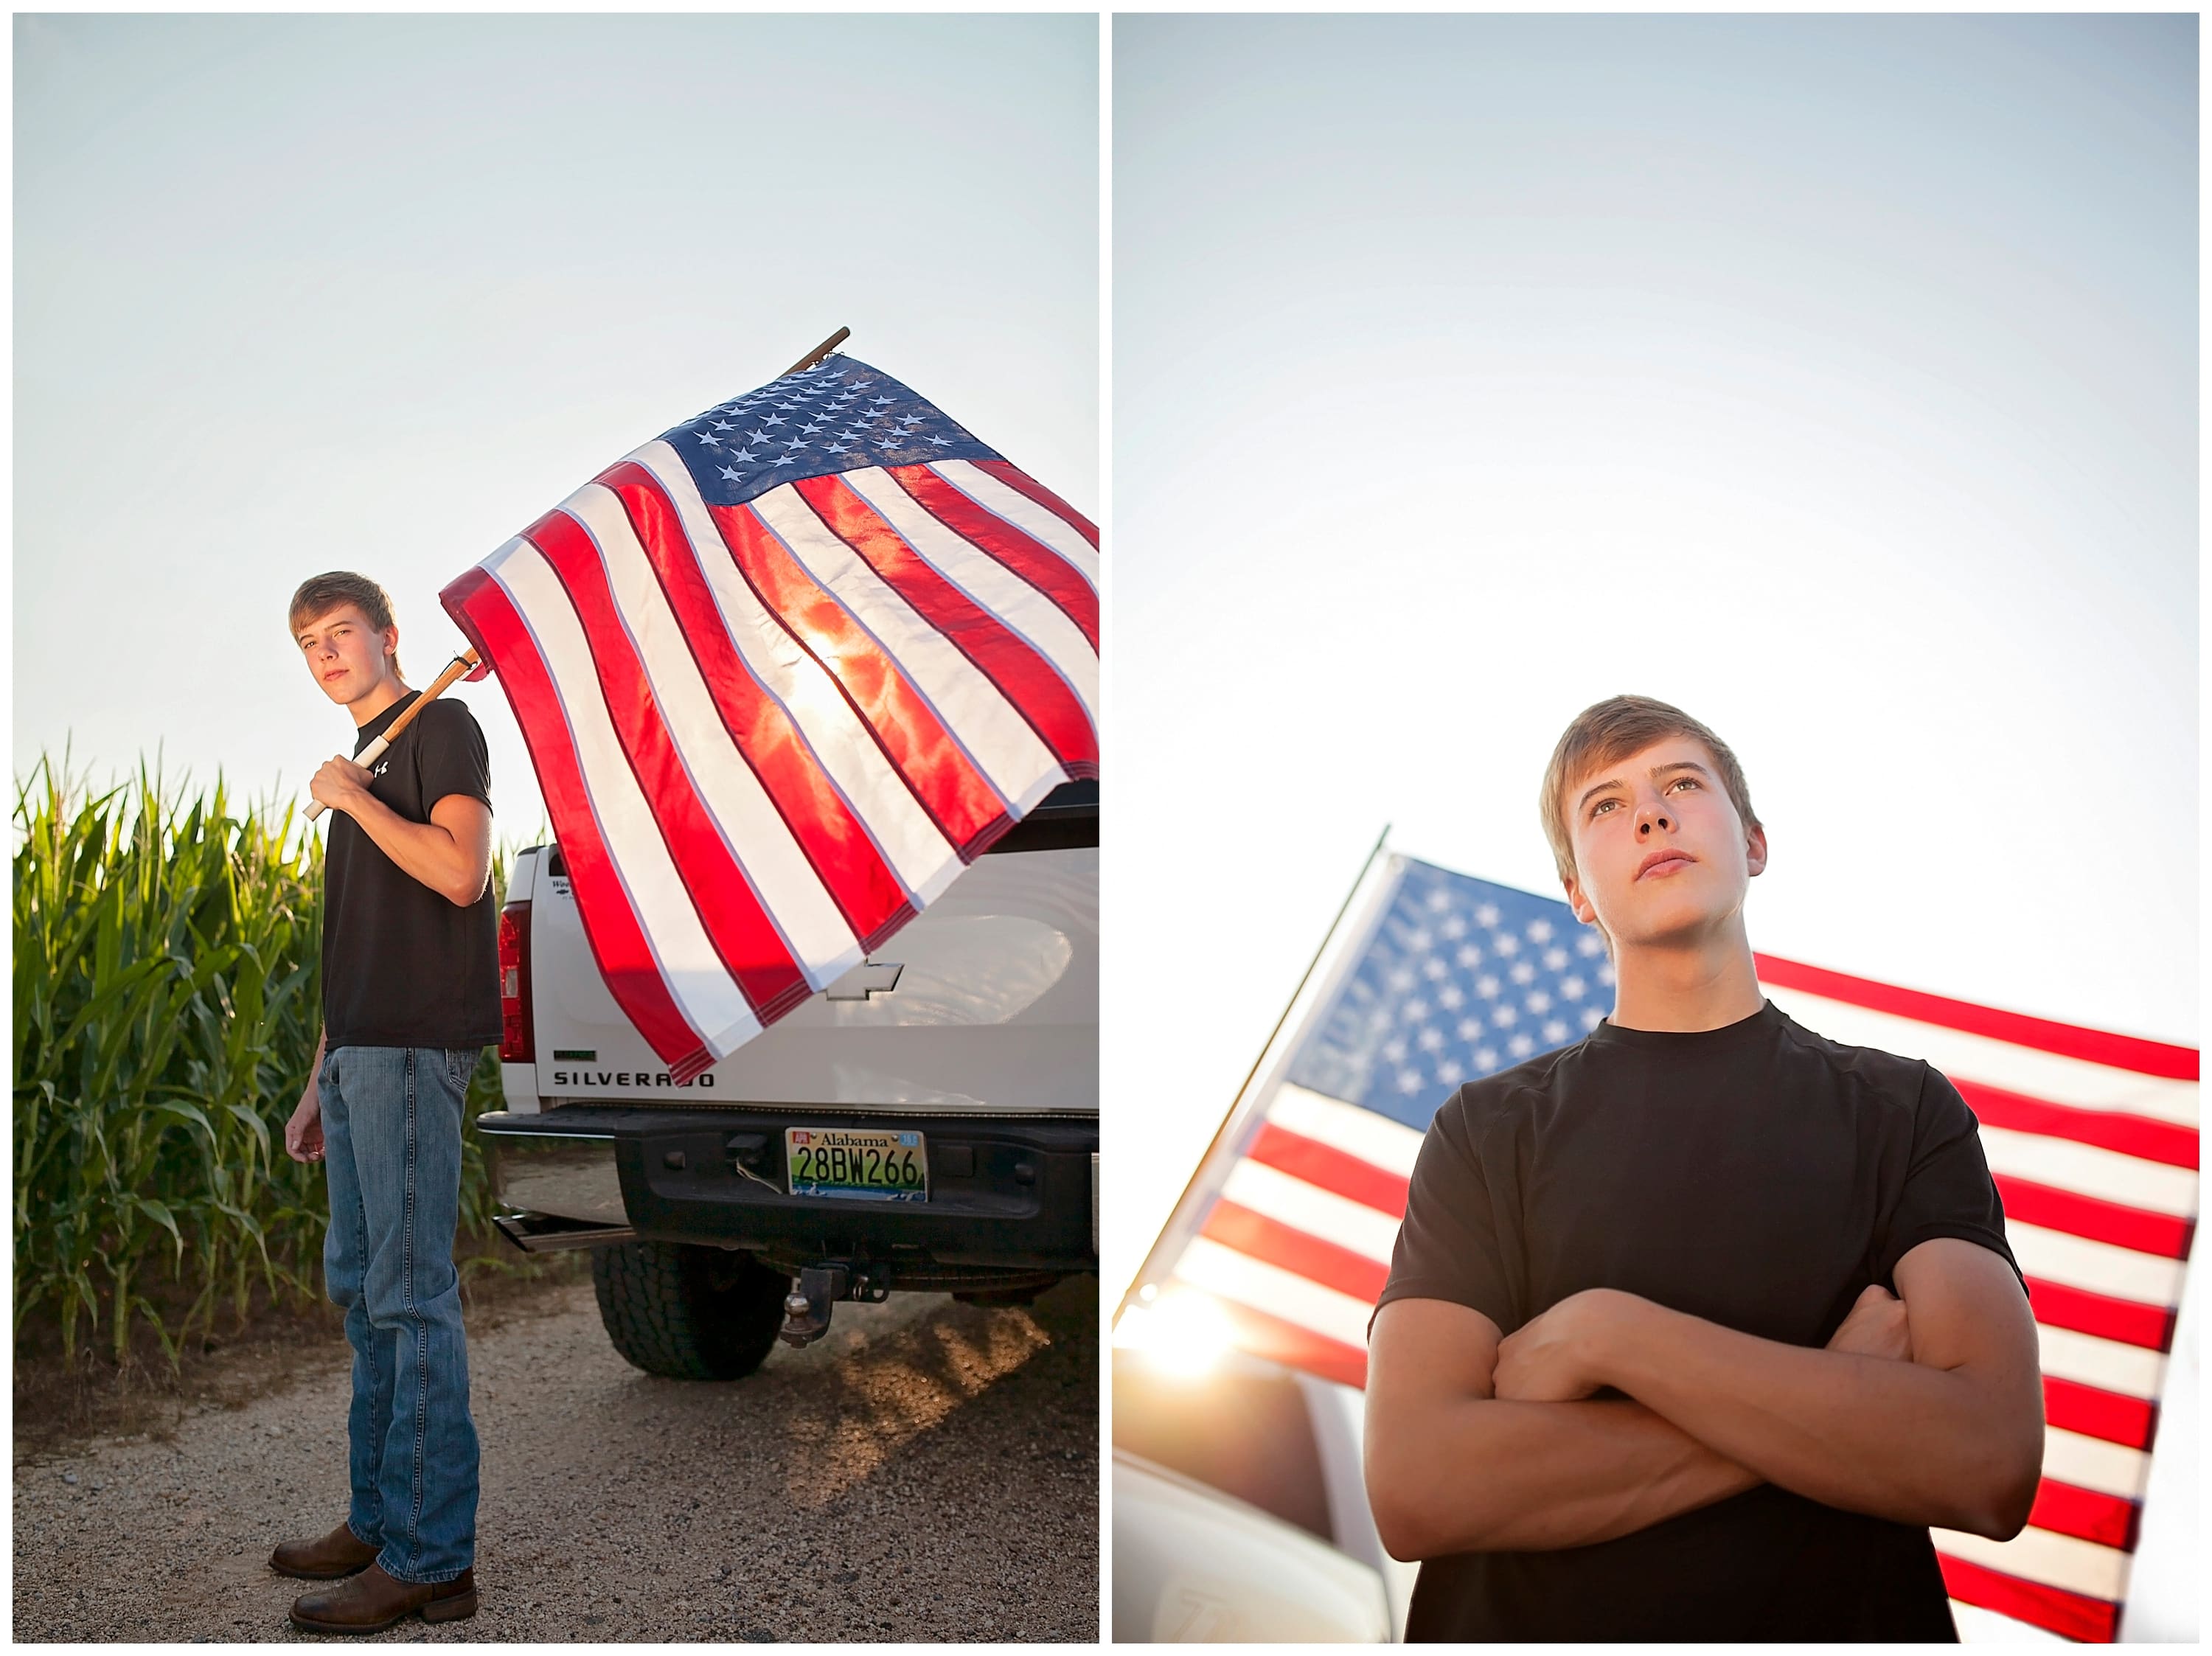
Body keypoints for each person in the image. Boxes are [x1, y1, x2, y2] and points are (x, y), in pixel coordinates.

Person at [1363, 694, 2043, 1641]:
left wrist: (1612, 1334)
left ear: (1755, 842)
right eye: (1604, 805)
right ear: (1577, 892)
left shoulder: (1905, 1108)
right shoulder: (1486, 1129)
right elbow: (1417, 1485)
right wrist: (1833, 1400)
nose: (1650, 812)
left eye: (1683, 783)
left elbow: (1989, 1458)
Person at [273, 571, 500, 1634]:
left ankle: (430, 1560)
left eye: (342, 632)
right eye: (309, 641)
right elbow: (354, 942)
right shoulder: (359, 765)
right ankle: (377, 1519)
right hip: (362, 1052)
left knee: (411, 1297)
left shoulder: (440, 729)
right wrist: (322, 1072)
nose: (326, 652)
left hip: (416, 1046)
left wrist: (356, 799)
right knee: (366, 1292)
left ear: (388, 636)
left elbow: (460, 873)